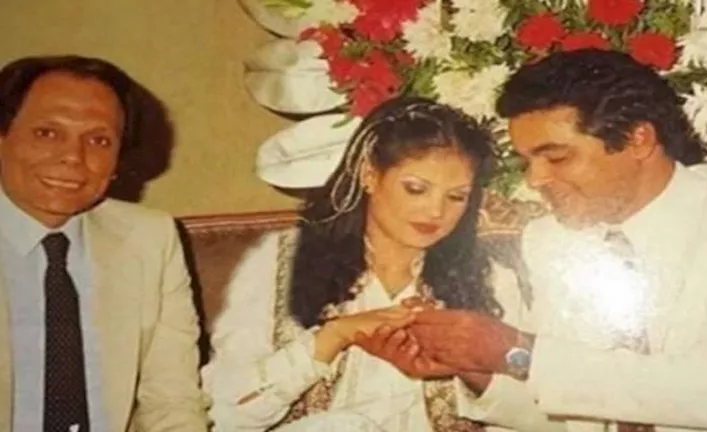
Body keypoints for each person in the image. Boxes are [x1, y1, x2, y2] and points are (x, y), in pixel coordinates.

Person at [404, 49, 707, 431]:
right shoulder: (550, 241)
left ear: (638, 140)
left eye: (557, 158)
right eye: (527, 162)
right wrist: (475, 365)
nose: (535, 180)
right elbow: (573, 412)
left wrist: (517, 350)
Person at [202, 96, 561, 431]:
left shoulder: (491, 279)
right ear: (369, 175)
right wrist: (333, 336)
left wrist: (469, 369)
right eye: (416, 189)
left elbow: (548, 415)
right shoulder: (283, 262)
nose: (436, 211)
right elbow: (227, 412)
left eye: (456, 197)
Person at [0, 55, 207, 431]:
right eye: (47, 133)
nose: (72, 157)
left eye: (99, 140)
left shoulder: (149, 239)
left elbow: (171, 402)